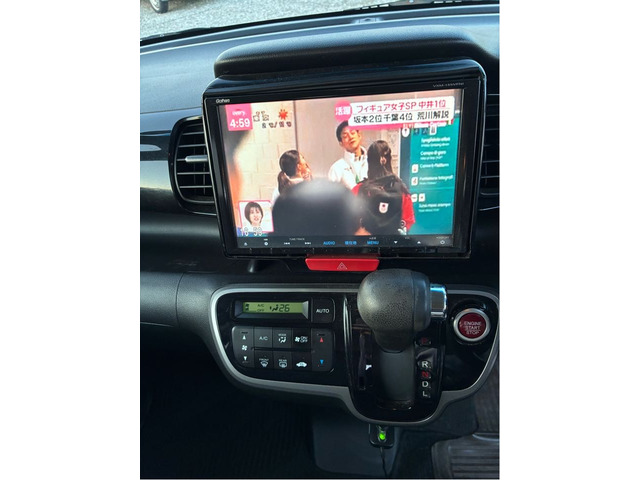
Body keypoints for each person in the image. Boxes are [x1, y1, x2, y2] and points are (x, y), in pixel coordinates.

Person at [352, 140, 415, 234]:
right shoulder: (402, 189)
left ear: (369, 162)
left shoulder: (358, 189)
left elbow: (350, 220)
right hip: (394, 241)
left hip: (366, 241)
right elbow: (409, 221)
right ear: (389, 160)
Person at [328, 121, 368, 190]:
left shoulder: (372, 162)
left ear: (359, 135)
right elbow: (329, 193)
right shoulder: (337, 168)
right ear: (341, 143)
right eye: (345, 136)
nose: (350, 137)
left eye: (352, 133)